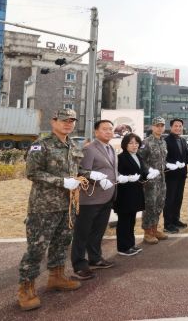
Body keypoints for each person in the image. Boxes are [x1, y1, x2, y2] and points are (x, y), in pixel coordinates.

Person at [17, 109, 82, 311]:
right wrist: (62, 182)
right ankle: (26, 288)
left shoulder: (73, 145)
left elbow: (76, 171)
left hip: (67, 205)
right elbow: (33, 173)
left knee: (61, 244)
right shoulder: (41, 145)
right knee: (36, 249)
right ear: (53, 122)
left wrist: (91, 175)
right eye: (64, 120)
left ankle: (56, 277)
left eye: (71, 120)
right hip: (44, 207)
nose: (68, 123)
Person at [71, 120, 118, 280]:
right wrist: (96, 179)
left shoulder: (111, 148)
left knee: (98, 231)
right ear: (96, 132)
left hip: (107, 197)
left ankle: (95, 258)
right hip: (90, 198)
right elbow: (81, 171)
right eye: (104, 129)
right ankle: (79, 265)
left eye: (110, 129)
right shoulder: (89, 149)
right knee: (82, 233)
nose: (108, 131)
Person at [114, 133, 147, 256]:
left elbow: (141, 172)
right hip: (124, 195)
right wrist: (125, 178)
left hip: (135, 193)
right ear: (125, 145)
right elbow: (117, 175)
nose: (134, 145)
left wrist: (148, 174)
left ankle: (131, 244)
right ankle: (123, 248)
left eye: (136, 143)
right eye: (131, 143)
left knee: (131, 220)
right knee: (124, 221)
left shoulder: (137, 155)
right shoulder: (121, 157)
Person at [138, 117, 167, 244]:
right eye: (157, 125)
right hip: (150, 181)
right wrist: (148, 170)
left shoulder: (163, 142)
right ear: (152, 127)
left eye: (162, 126)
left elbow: (163, 159)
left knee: (159, 204)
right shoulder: (146, 142)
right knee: (149, 205)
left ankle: (154, 229)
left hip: (161, 179)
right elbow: (140, 159)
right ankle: (147, 232)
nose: (160, 128)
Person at [163, 118, 188, 233]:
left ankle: (175, 219)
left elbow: (186, 156)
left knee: (178, 198)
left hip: (182, 174)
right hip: (171, 175)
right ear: (171, 127)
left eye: (180, 126)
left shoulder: (183, 140)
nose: (178, 128)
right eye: (176, 126)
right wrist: (170, 164)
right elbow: (163, 158)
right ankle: (167, 224)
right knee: (170, 199)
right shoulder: (166, 140)